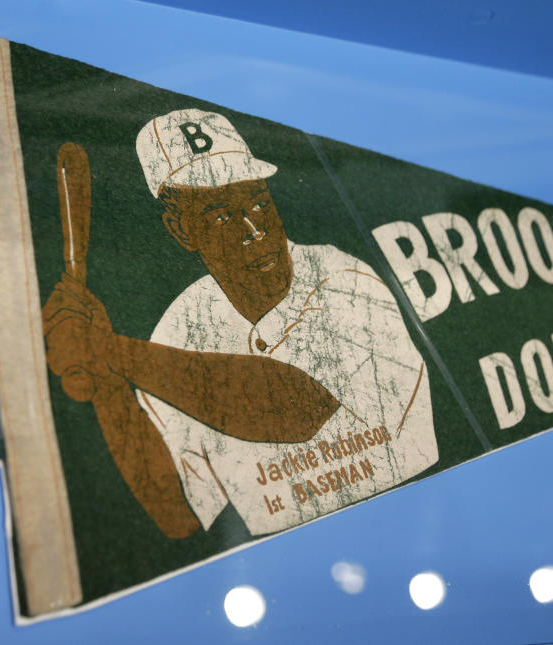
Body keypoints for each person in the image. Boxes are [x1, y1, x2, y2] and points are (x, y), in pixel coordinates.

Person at [43, 109, 437, 538]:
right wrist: (107, 385)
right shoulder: (179, 328)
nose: (253, 228)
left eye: (258, 203)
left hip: (415, 517)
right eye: (221, 216)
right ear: (181, 230)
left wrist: (109, 349)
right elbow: (177, 515)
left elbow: (297, 409)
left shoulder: (344, 279)